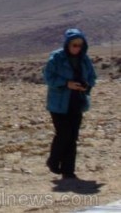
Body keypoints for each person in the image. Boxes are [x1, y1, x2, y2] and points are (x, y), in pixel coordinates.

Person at [43, 28, 97, 180]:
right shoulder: (57, 58)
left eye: (80, 45)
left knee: (73, 136)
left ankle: (68, 170)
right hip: (59, 103)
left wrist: (86, 85)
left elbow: (92, 77)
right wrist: (67, 84)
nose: (77, 48)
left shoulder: (84, 59)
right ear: (67, 44)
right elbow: (49, 78)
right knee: (64, 134)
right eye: (74, 45)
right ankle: (53, 161)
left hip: (77, 101)